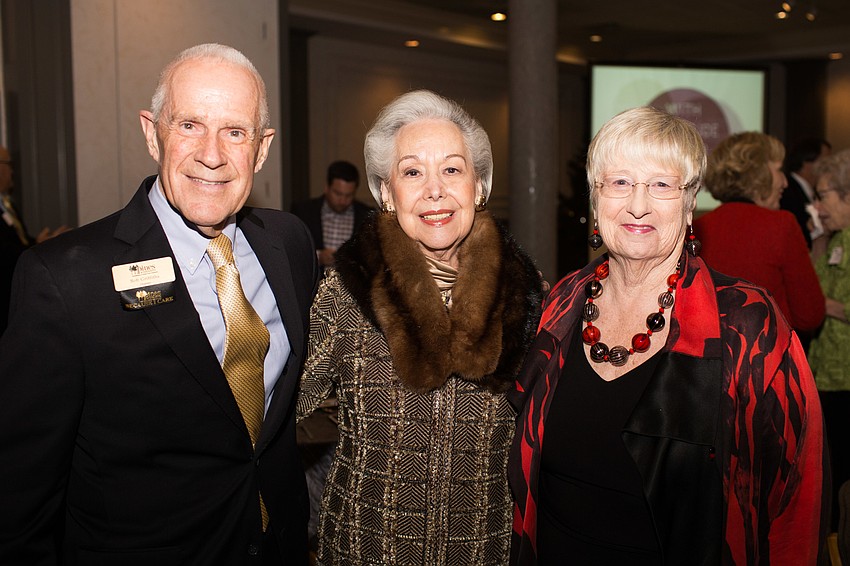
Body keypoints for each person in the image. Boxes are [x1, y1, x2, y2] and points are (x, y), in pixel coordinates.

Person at [0, 43, 319, 565]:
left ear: (261, 150)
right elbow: (17, 502)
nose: (212, 154)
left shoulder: (288, 244)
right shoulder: (64, 279)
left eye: (235, 132)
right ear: (153, 133)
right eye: (189, 124)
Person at [509, 107, 828, 565]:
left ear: (690, 199)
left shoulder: (746, 323)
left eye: (661, 184)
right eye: (619, 182)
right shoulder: (562, 302)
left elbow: (798, 494)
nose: (638, 204)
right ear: (595, 197)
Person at [297, 90, 543, 565]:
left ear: (479, 186)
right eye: (412, 172)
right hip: (363, 547)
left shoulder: (528, 296)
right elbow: (278, 409)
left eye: (452, 169)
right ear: (387, 193)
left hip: (483, 552)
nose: (435, 190)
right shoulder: (346, 293)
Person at [694, 132, 825, 339]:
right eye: (779, 170)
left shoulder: (697, 227)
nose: (785, 182)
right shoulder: (781, 225)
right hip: (765, 360)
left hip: (708, 362)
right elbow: (809, 315)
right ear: (759, 174)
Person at [809, 148, 850, 532]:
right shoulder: (833, 240)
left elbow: (817, 301)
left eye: (823, 196)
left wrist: (827, 305)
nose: (817, 205)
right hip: (825, 376)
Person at [0, 145, 67, 332]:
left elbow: (14, 241)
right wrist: (35, 249)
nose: (12, 171)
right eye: (8, 164)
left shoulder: (7, 204)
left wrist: (37, 244)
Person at [291, 160, 372, 269]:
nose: (343, 201)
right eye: (338, 194)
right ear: (327, 188)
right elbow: (292, 250)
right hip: (314, 282)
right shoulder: (304, 211)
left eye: (349, 195)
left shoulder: (366, 216)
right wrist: (319, 256)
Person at [781, 137, 832, 249]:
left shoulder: (814, 193)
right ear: (807, 162)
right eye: (826, 161)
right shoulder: (786, 191)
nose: (830, 167)